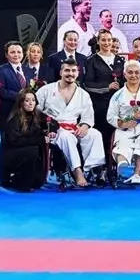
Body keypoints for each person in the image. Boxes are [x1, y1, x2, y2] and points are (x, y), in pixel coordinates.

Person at [37, 60, 105, 188]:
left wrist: (84, 126)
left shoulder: (83, 94)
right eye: (67, 70)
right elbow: (35, 111)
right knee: (66, 137)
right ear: (61, 72)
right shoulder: (46, 90)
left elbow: (88, 116)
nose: (70, 74)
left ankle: (94, 169)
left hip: (74, 127)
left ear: (78, 73)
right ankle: (77, 171)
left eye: (73, 71)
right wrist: (46, 127)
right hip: (54, 129)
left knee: (95, 134)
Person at [106, 59, 140, 184]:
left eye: (137, 72)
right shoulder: (118, 95)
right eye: (130, 72)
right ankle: (123, 165)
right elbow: (110, 116)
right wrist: (122, 123)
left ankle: (136, 174)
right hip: (125, 129)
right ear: (124, 74)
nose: (133, 75)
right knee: (123, 142)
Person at [82, 30, 124, 165]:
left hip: (118, 106)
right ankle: (101, 166)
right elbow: (87, 84)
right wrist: (107, 87)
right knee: (102, 135)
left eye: (109, 40)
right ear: (98, 42)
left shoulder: (120, 60)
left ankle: (116, 163)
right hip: (100, 106)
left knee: (117, 135)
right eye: (103, 40)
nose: (107, 43)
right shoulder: (91, 60)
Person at [0, 91, 49, 192]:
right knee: (32, 150)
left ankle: (28, 178)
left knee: (38, 183)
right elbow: (16, 141)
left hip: (28, 151)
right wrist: (40, 140)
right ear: (21, 102)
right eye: (27, 100)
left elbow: (52, 122)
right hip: (11, 154)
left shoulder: (37, 115)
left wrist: (52, 131)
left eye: (33, 100)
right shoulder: (14, 118)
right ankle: (18, 182)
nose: (31, 103)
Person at [0, 41, 30, 132]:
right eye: (12, 52)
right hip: (8, 113)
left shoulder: (28, 70)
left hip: (26, 114)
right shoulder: (1, 70)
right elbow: (2, 91)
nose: (16, 55)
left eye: (19, 52)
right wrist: (23, 97)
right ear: (6, 55)